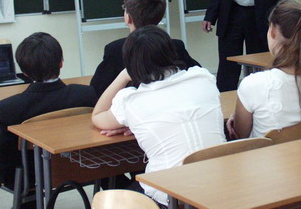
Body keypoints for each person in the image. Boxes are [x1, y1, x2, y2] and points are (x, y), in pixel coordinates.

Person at [92, 25, 225, 207]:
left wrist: (123, 76)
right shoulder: (203, 78)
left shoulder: (131, 100)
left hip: (172, 195)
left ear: (131, 64)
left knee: (108, 200)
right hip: (222, 187)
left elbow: (98, 115)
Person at [0, 32, 97, 209]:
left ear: (24, 72)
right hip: (82, 167)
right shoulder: (86, 94)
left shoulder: (8, 108)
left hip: (29, 177)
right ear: (61, 62)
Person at [226, 0, 301, 139]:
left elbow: (241, 138)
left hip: (266, 154)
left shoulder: (253, 85)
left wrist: (239, 119)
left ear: (272, 31)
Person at [90, 0, 199, 98]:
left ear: (128, 18)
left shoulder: (115, 50)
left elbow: (98, 91)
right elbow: (197, 77)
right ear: (160, 16)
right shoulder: (176, 46)